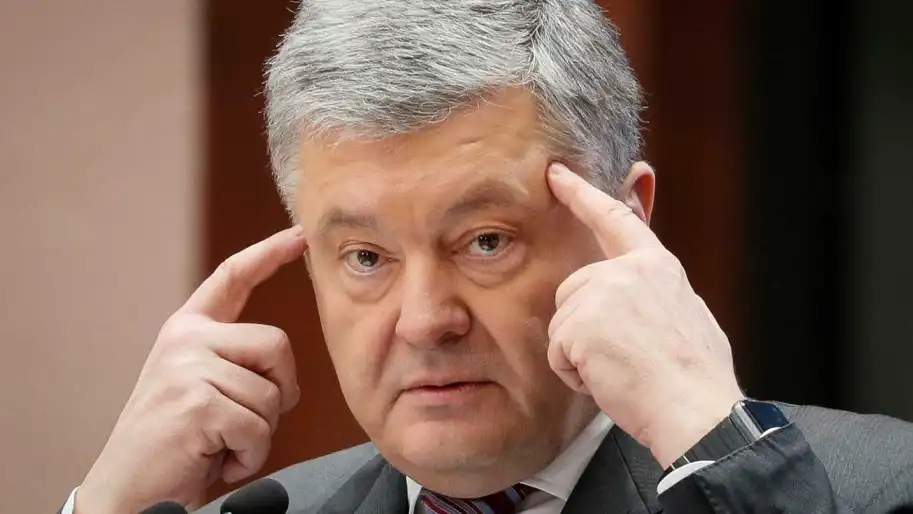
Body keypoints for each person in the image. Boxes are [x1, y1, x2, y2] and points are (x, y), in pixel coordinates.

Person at [60, 1, 913, 513]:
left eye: (485, 242)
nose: (424, 321)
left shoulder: (872, 488)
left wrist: (724, 456)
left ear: (625, 228)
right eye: (365, 257)